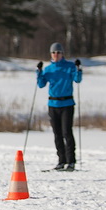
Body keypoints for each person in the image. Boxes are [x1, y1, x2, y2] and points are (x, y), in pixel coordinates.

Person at [37, 42, 82, 172]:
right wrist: (39, 72)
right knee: (57, 134)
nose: (56, 55)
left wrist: (78, 69)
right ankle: (61, 161)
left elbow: (77, 79)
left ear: (62, 54)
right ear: (51, 54)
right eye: (54, 52)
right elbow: (41, 84)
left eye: (58, 52)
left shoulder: (69, 66)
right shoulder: (49, 69)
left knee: (66, 132)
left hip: (67, 104)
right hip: (53, 104)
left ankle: (71, 162)